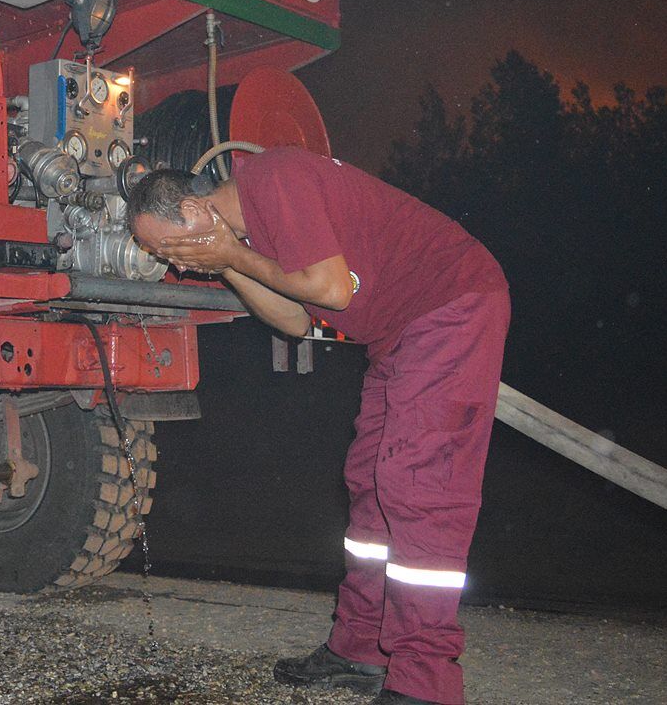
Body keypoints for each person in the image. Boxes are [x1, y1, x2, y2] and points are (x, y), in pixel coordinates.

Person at [126, 147, 509, 705]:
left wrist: (232, 253)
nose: (177, 265)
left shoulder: (275, 178)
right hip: (397, 334)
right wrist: (229, 263)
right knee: (370, 482)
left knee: (418, 486)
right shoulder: (250, 234)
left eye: (169, 248)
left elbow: (332, 290)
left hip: (451, 304)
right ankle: (361, 647)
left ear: (192, 209)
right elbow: (293, 320)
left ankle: (425, 681)